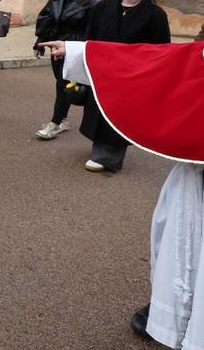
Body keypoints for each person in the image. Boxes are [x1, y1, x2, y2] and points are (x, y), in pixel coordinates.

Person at [39, 39, 204, 347]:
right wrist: (80, 52)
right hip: (196, 178)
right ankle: (178, 315)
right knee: (180, 241)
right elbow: (154, 60)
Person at [76, 0, 170, 172]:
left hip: (132, 76)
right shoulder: (104, 7)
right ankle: (99, 147)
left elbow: (161, 50)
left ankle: (107, 157)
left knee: (120, 113)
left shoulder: (155, 15)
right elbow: (88, 37)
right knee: (98, 109)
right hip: (102, 70)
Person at [32, 0, 98, 139]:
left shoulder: (92, 3)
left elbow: (92, 31)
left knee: (63, 85)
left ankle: (55, 123)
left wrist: (78, 50)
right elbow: (46, 19)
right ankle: (63, 119)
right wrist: (40, 42)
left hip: (74, 49)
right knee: (62, 84)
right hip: (56, 46)